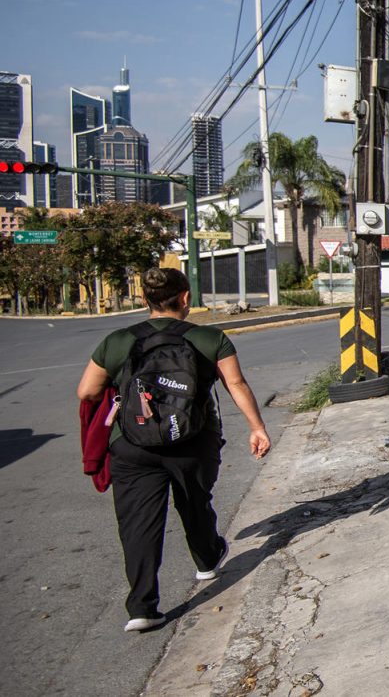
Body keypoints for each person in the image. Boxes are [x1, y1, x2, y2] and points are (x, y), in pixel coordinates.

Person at [76, 266, 271, 632]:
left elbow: (86, 392)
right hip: (193, 441)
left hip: (132, 445)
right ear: (185, 298)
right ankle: (207, 560)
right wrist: (257, 428)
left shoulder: (117, 341)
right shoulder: (210, 338)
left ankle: (142, 607)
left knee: (138, 524)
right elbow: (236, 383)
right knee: (195, 502)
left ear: (145, 300)